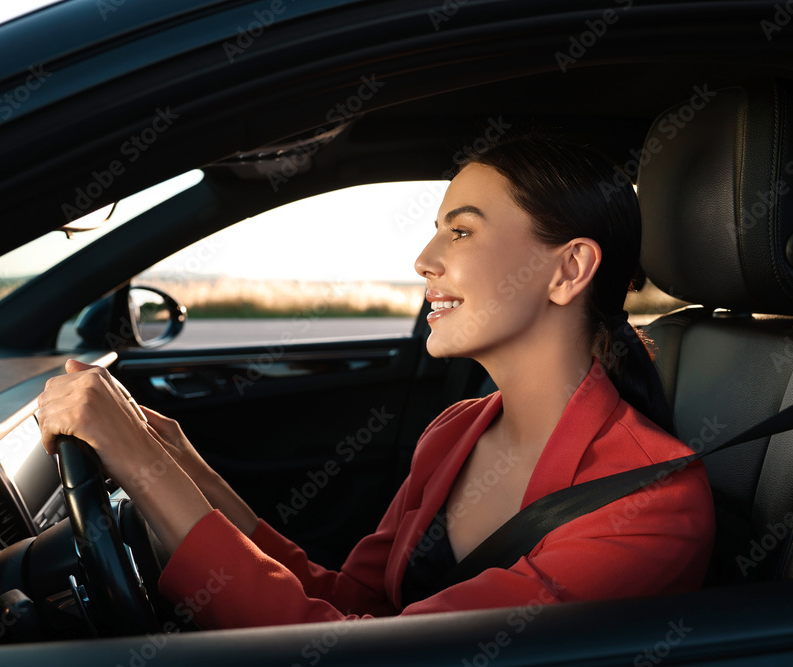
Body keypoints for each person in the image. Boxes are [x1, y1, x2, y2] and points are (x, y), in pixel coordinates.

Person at [36, 135, 715, 630]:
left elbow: (367, 652)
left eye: (462, 231)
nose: (425, 260)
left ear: (568, 270)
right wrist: (177, 459)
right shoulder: (457, 429)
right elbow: (356, 604)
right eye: (435, 232)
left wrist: (145, 468)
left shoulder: (649, 504)